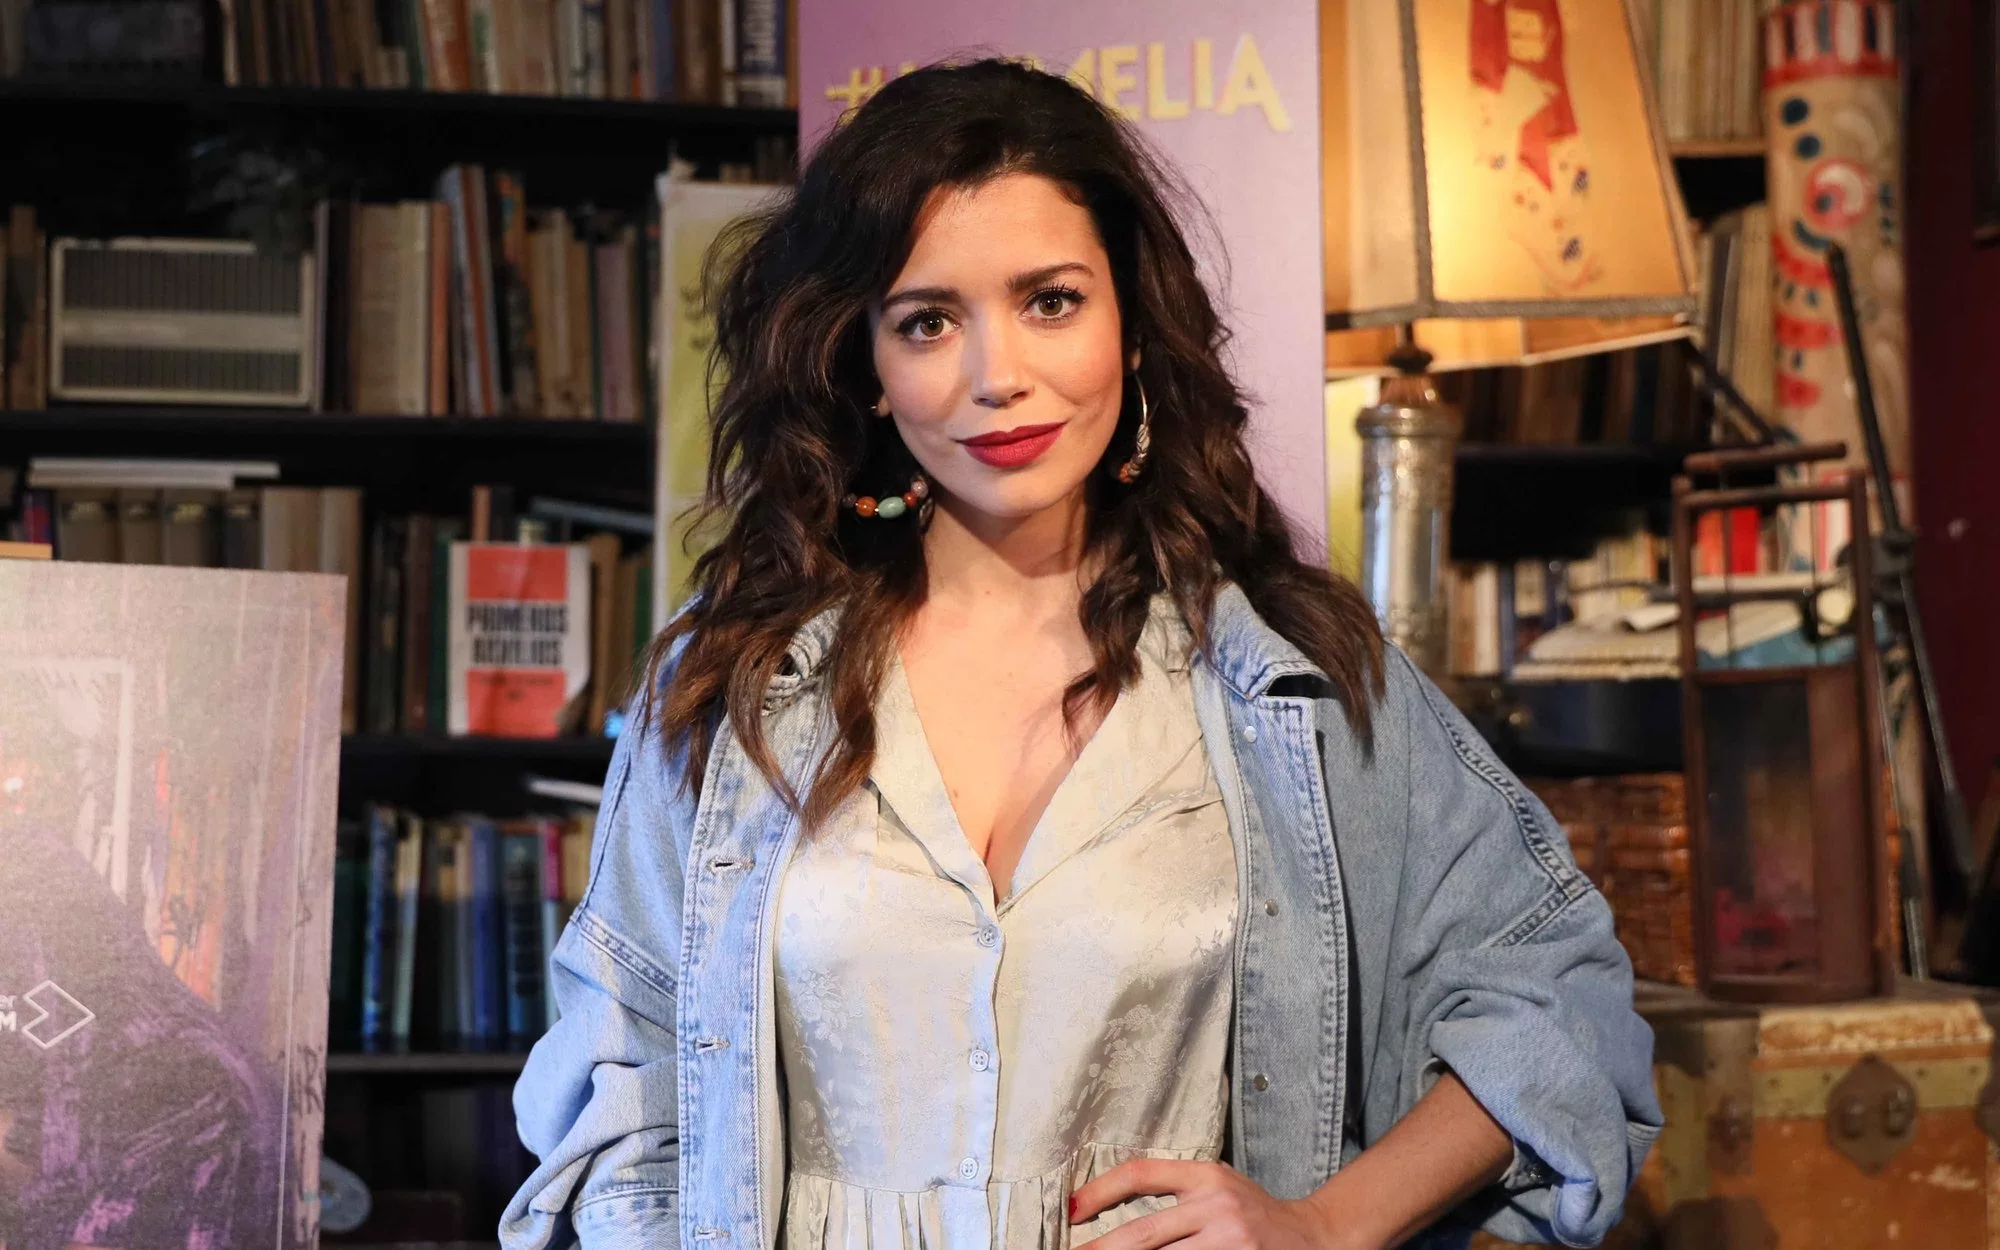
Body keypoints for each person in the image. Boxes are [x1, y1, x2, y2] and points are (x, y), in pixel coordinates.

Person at [502, 59, 1658, 1250]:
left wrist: (1323, 1224)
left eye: (1050, 300)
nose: (998, 376)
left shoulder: (1290, 683)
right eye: (927, 321)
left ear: (1131, 322)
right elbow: (623, 1099)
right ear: (865, 364)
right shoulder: (734, 685)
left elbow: (1557, 999)